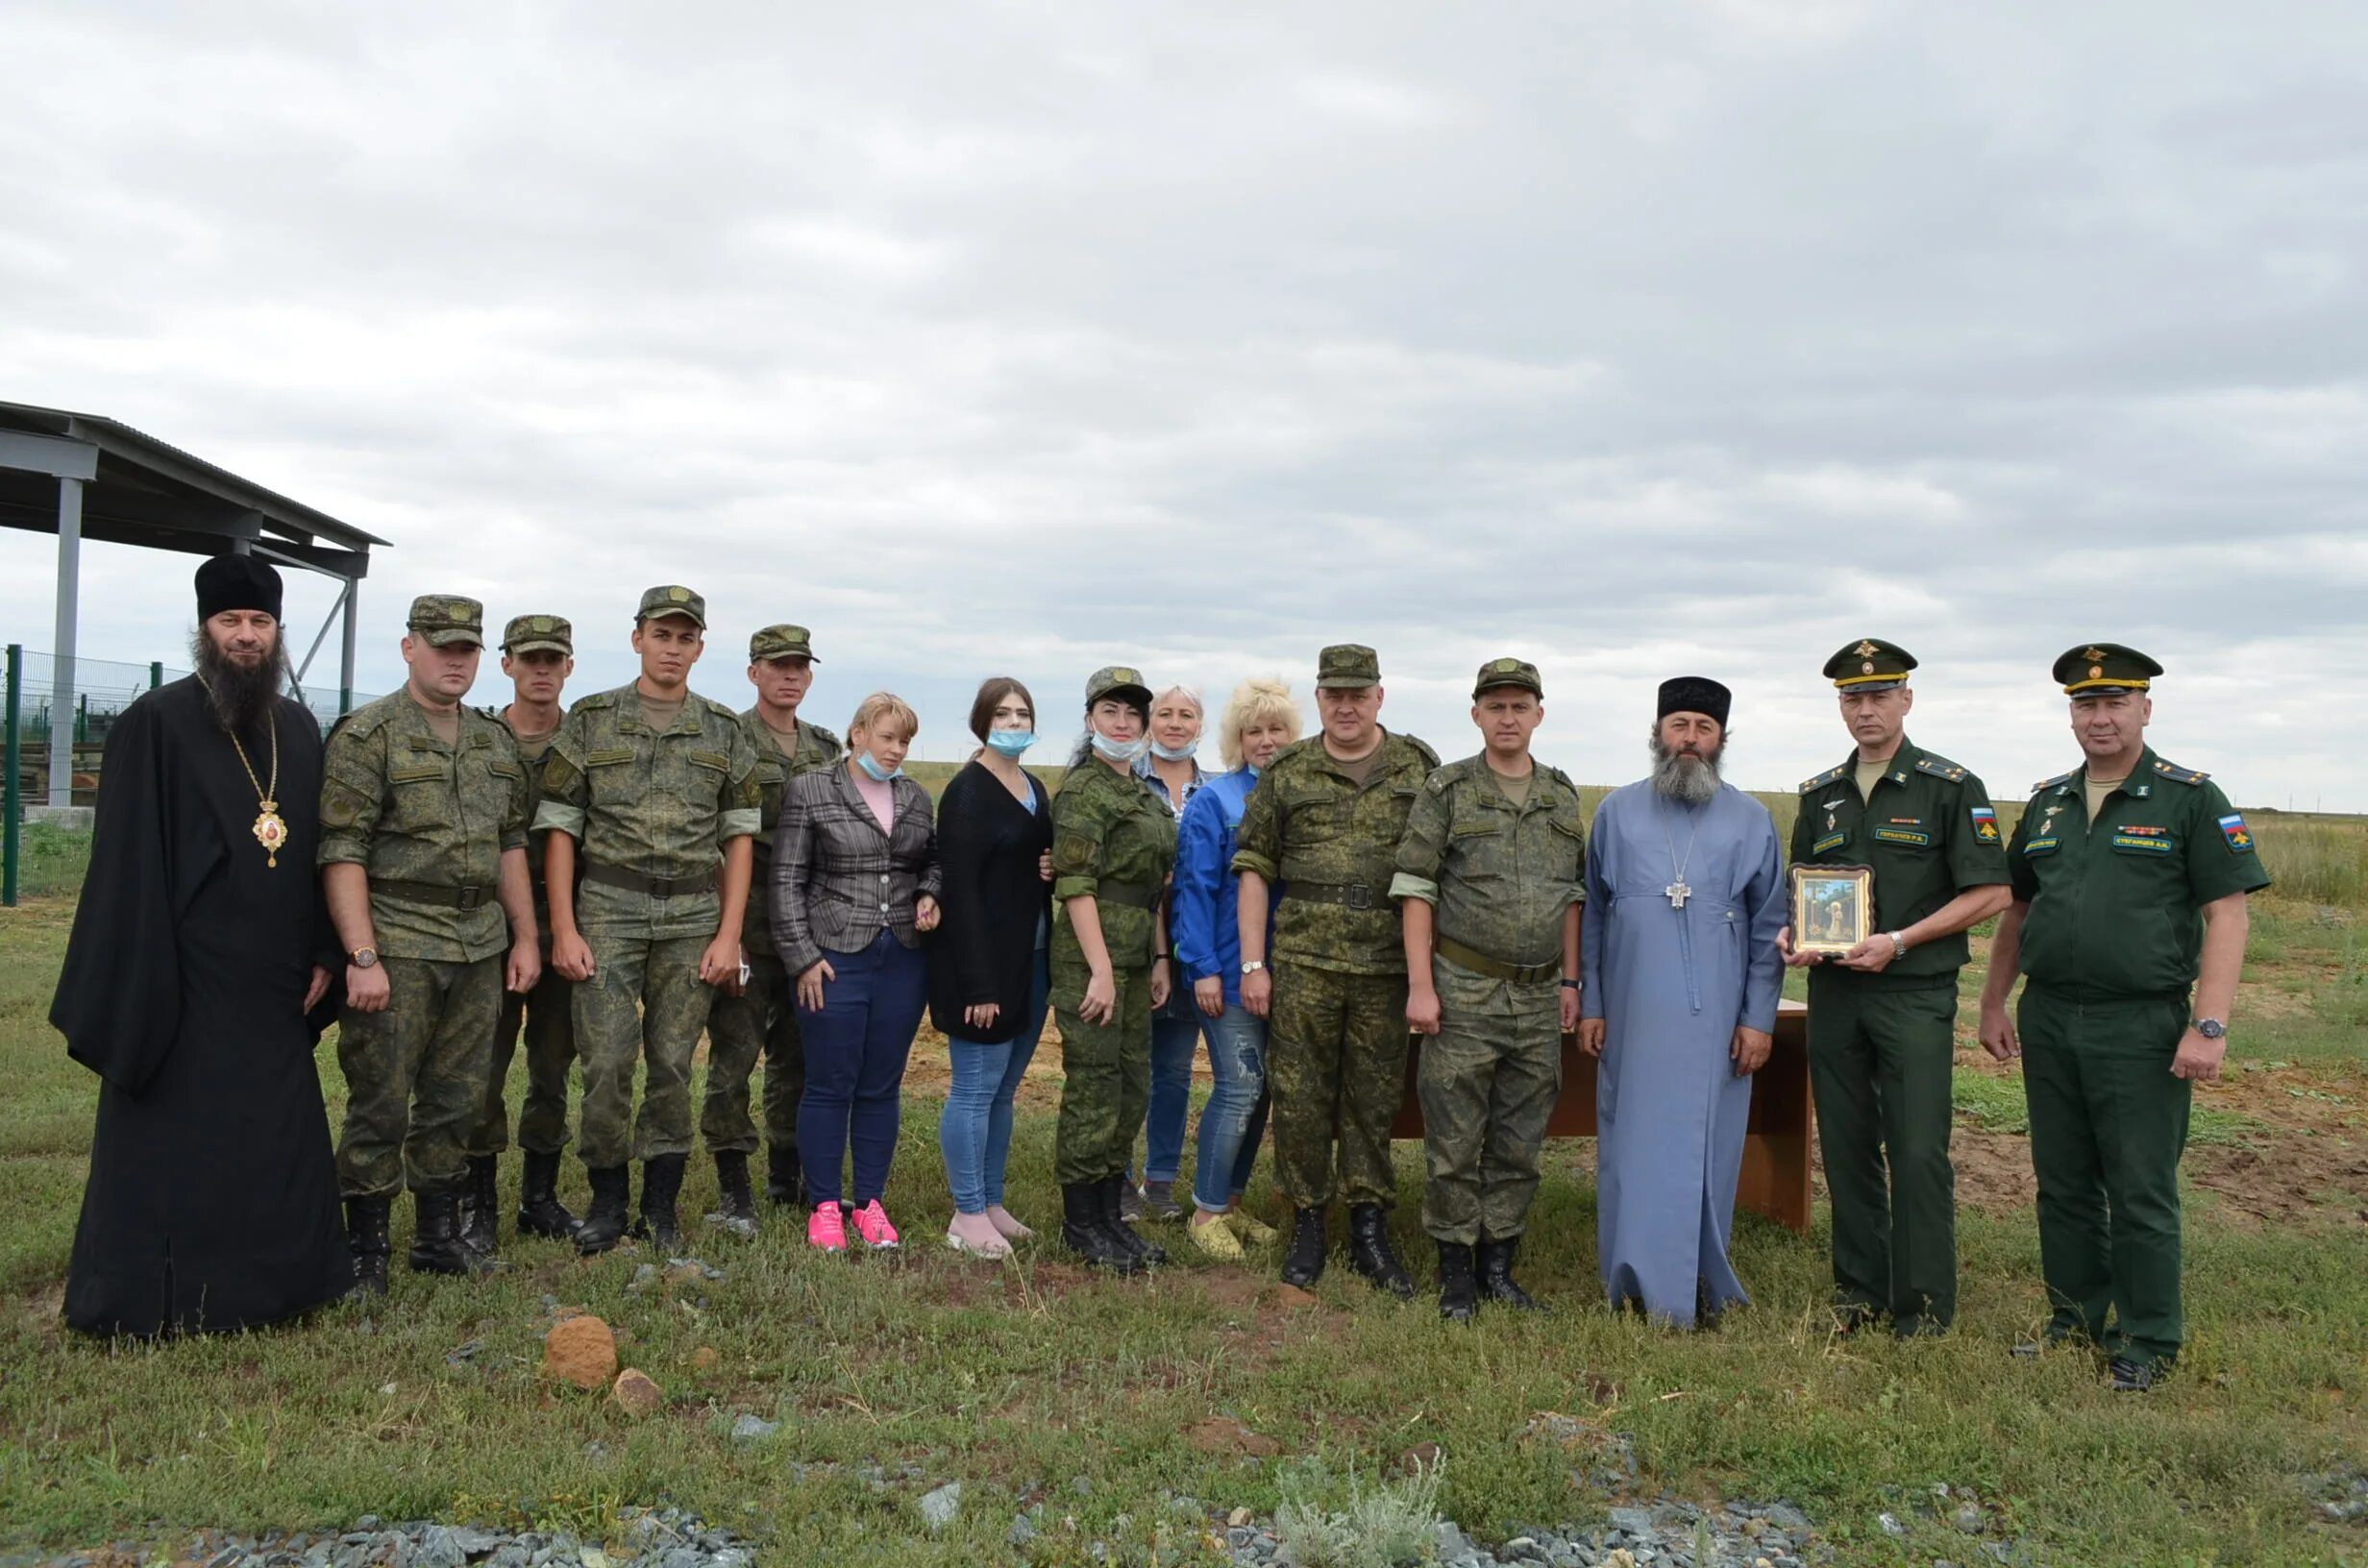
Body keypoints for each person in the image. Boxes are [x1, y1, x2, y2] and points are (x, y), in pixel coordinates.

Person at [52, 554, 353, 1335]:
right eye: (230, 622)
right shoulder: (156, 722)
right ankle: (162, 1299)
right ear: (204, 630)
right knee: (180, 1137)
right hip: (183, 977)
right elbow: (125, 866)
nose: (246, 637)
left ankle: (281, 1288)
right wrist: (147, 978)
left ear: (278, 632)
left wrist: (325, 950)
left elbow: (316, 847)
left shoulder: (297, 725)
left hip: (277, 979)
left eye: (259, 623)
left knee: (272, 1136)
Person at [1977, 645, 2269, 1392]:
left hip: (2141, 1024)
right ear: (2070, 714)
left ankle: (2147, 1338)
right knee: (2064, 1183)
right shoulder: (2048, 801)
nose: (2099, 718)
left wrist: (2209, 1025)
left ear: (2145, 709)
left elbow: (2226, 914)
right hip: (2050, 1016)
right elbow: (2018, 908)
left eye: (2114, 704)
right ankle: (2075, 1321)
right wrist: (1992, 1000)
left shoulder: (2189, 798)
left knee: (2140, 1188)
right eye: (2085, 705)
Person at [1779, 639, 2010, 1337]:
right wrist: (1795, 938)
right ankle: (1860, 1292)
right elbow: (1801, 894)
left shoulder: (1950, 787)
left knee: (1914, 1149)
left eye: (1880, 695)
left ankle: (1924, 1307)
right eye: (1853, 697)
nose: (1866, 708)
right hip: (1838, 996)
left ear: (1907, 700)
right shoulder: (1820, 795)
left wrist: (1902, 941)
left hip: (1913, 992)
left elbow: (1992, 892)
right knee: (1845, 1144)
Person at [319, 596, 539, 1288]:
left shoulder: (492, 741)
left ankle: (438, 1238)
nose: (455, 660)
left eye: (466, 649)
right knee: (381, 1099)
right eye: (441, 646)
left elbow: (511, 845)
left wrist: (525, 937)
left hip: (479, 943)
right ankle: (367, 1250)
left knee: (460, 1097)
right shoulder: (369, 735)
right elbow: (342, 850)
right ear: (410, 647)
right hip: (401, 940)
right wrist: (362, 955)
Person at [535, 585, 761, 1255]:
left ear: (699, 647)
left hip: (693, 910)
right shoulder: (591, 718)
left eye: (685, 636)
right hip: (607, 906)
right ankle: (607, 1201)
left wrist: (728, 934)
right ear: (638, 639)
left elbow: (741, 835)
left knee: (670, 1064)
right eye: (661, 634)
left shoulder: (724, 730)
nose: (672, 647)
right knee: (606, 1061)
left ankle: (660, 1207)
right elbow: (559, 828)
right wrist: (566, 927)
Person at [1232, 644, 1439, 1295]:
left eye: (1358, 694)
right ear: (1319, 700)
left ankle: (1370, 1225)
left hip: (1385, 967)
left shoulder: (1417, 765)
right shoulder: (1289, 770)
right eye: (1333, 695)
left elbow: (1437, 869)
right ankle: (1309, 1224)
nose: (1346, 706)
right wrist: (1254, 964)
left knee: (1373, 1100)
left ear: (1380, 697)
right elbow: (1255, 870)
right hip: (1303, 965)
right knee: (1300, 1100)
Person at [1577, 676, 1784, 1329]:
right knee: (1633, 1144)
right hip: (1635, 1014)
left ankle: (1699, 1279)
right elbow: (1593, 919)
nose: (1689, 739)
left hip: (1717, 1019)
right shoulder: (1616, 812)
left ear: (1721, 739)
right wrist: (1592, 1003)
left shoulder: (1751, 819)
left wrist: (1757, 1019)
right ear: (1658, 732)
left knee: (1706, 1147)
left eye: (1704, 728)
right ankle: (1634, 1277)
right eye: (1679, 726)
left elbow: (1768, 929)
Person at [1393, 659, 1586, 1320]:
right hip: (1464, 988)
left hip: (1536, 998)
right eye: (1495, 706)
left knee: (1520, 1140)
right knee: (1454, 1139)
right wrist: (1421, 986)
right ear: (1476, 714)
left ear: (1539, 713)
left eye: (1519, 706)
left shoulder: (1561, 796)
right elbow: (1416, 888)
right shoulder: (1447, 790)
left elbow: (1571, 897)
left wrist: (1570, 980)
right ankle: (1455, 1273)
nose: (1508, 718)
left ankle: (1497, 1264)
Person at [771, 692, 941, 1253]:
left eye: (906, 741)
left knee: (880, 1085)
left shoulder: (914, 797)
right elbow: (786, 881)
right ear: (859, 732)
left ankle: (869, 1203)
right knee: (829, 1083)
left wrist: (930, 893)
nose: (896, 750)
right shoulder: (812, 789)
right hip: (833, 960)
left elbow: (932, 860)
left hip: (902, 960)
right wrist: (802, 957)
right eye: (888, 737)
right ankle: (823, 1207)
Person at [701, 625, 843, 1233]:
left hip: (808, 925)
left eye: (800, 667)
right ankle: (734, 1183)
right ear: (753, 672)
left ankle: (789, 1173)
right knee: (735, 1052)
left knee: (799, 1054)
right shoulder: (729, 739)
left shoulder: (825, 746)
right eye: (777, 665)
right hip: (748, 915)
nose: (790, 676)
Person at [460, 613, 584, 1250]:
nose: (541, 670)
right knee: (482, 1066)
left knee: (552, 1067)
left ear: (569, 667)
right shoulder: (479, 740)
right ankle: (477, 1201)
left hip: (568, 922)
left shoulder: (586, 739)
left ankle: (540, 1196)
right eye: (529, 658)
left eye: (553, 659)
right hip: (491, 926)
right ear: (505, 664)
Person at [1048, 667, 1178, 1272]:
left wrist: (1156, 958)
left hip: (1135, 958)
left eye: (1132, 714)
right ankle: (1081, 1224)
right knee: (1094, 1089)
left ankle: (1110, 1218)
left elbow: (1150, 886)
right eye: (1110, 712)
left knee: (1131, 1089)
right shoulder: (1083, 791)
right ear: (1089, 720)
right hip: (1091, 959)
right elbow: (1077, 886)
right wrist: (1100, 970)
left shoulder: (1141, 795)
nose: (1123, 723)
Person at [1172, 677, 1300, 1261]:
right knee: (1240, 1085)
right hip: (1225, 969)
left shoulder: (1298, 797)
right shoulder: (1214, 802)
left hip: (1288, 972)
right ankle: (1203, 1213)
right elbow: (1193, 891)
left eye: (1277, 730)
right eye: (1255, 731)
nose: (1266, 741)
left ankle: (1232, 1203)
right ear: (1237, 738)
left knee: (1267, 1088)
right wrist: (1201, 966)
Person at [929, 677, 1055, 1259]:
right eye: (1002, 713)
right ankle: (966, 1212)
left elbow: (1029, 858)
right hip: (979, 969)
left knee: (1005, 1091)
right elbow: (960, 890)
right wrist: (978, 982)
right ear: (982, 722)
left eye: (1022, 713)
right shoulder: (967, 792)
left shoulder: (1032, 787)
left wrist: (1046, 867)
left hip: (1028, 959)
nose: (1013, 721)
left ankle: (994, 1202)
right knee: (975, 1090)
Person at [1126, 685, 1210, 1222]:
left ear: (1201, 725)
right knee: (1128, 1066)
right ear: (1149, 721)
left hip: (1194, 945)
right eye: (1165, 713)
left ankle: (1160, 1181)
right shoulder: (1128, 781)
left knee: (1174, 1071)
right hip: (1134, 942)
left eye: (1186, 715)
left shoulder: (1215, 789)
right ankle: (1113, 1177)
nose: (1175, 723)